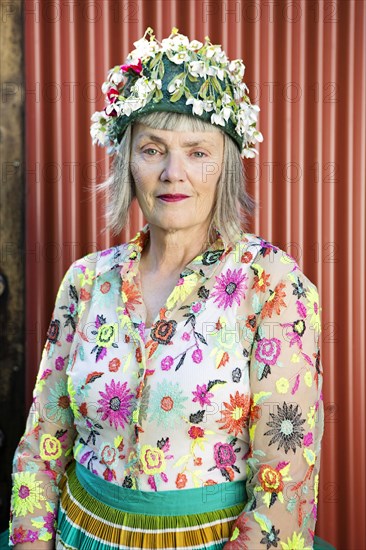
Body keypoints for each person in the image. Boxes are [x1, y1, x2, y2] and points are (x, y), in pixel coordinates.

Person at [4, 26, 333, 550]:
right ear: (127, 161)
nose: (172, 173)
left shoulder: (272, 283)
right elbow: (41, 443)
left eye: (197, 152)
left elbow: (284, 482)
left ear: (225, 164)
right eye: (153, 149)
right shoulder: (87, 280)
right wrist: (30, 542)